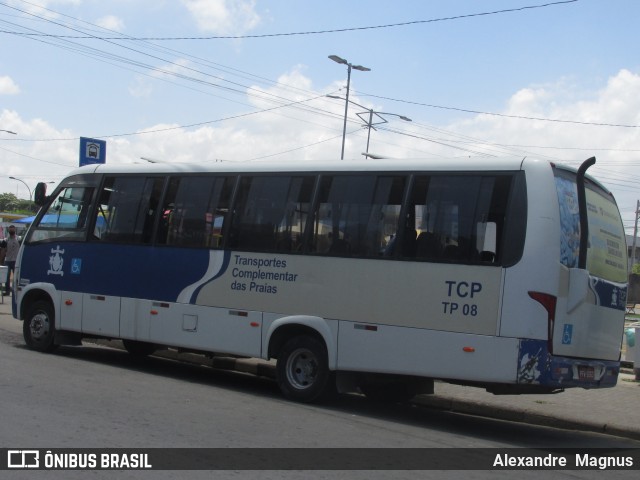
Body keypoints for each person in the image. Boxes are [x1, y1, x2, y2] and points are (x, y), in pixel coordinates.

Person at [2, 225, 20, 294]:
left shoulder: (18, 239)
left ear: (14, 230)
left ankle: (15, 291)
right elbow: (3, 251)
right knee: (7, 276)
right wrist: (2, 261)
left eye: (12, 230)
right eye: (10, 230)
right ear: (8, 231)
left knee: (16, 277)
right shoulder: (6, 240)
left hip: (16, 260)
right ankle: (7, 291)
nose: (11, 231)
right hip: (8, 260)